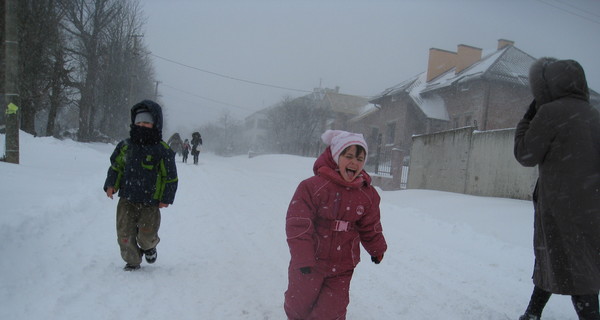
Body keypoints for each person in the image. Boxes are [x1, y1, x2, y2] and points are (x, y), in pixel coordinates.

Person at [514, 58, 600, 320]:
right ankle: (532, 313)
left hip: (560, 208)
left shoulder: (550, 113)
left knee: (572, 269)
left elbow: (525, 154)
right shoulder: (594, 114)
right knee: (562, 260)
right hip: (591, 207)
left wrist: (528, 118)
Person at [284, 130, 388, 319]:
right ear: (335, 156)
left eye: (360, 158)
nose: (354, 163)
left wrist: (377, 248)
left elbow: (370, 225)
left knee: (331, 311)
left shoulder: (367, 194)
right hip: (311, 261)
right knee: (298, 306)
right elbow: (298, 224)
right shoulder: (313, 187)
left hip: (342, 266)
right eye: (348, 156)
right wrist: (303, 257)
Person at [103, 100, 179, 271]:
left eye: (146, 122)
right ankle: (132, 260)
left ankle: (149, 247)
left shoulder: (162, 150)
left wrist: (166, 198)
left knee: (146, 234)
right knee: (124, 234)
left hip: (150, 201)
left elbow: (170, 177)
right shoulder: (126, 146)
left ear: (155, 124)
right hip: (127, 199)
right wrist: (111, 185)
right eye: (139, 122)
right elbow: (117, 167)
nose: (142, 125)